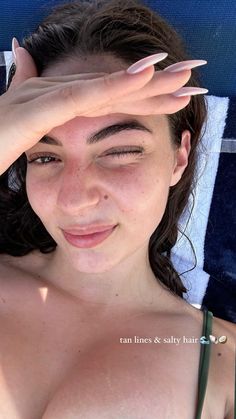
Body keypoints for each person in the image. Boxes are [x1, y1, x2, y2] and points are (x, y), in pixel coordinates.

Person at [0, 0, 235, 417]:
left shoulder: (222, 359)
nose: (73, 200)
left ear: (180, 157)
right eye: (44, 156)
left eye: (121, 151)